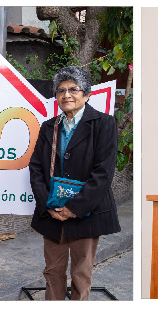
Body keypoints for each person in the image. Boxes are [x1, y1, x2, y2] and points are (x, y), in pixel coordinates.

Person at [27, 66, 120, 300]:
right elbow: (36, 168)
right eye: (61, 90)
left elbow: (103, 173)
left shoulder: (104, 124)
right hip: (52, 211)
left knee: (81, 272)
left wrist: (74, 208)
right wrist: (48, 204)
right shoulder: (49, 126)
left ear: (86, 94)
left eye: (73, 89)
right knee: (53, 271)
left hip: (86, 212)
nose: (66, 94)